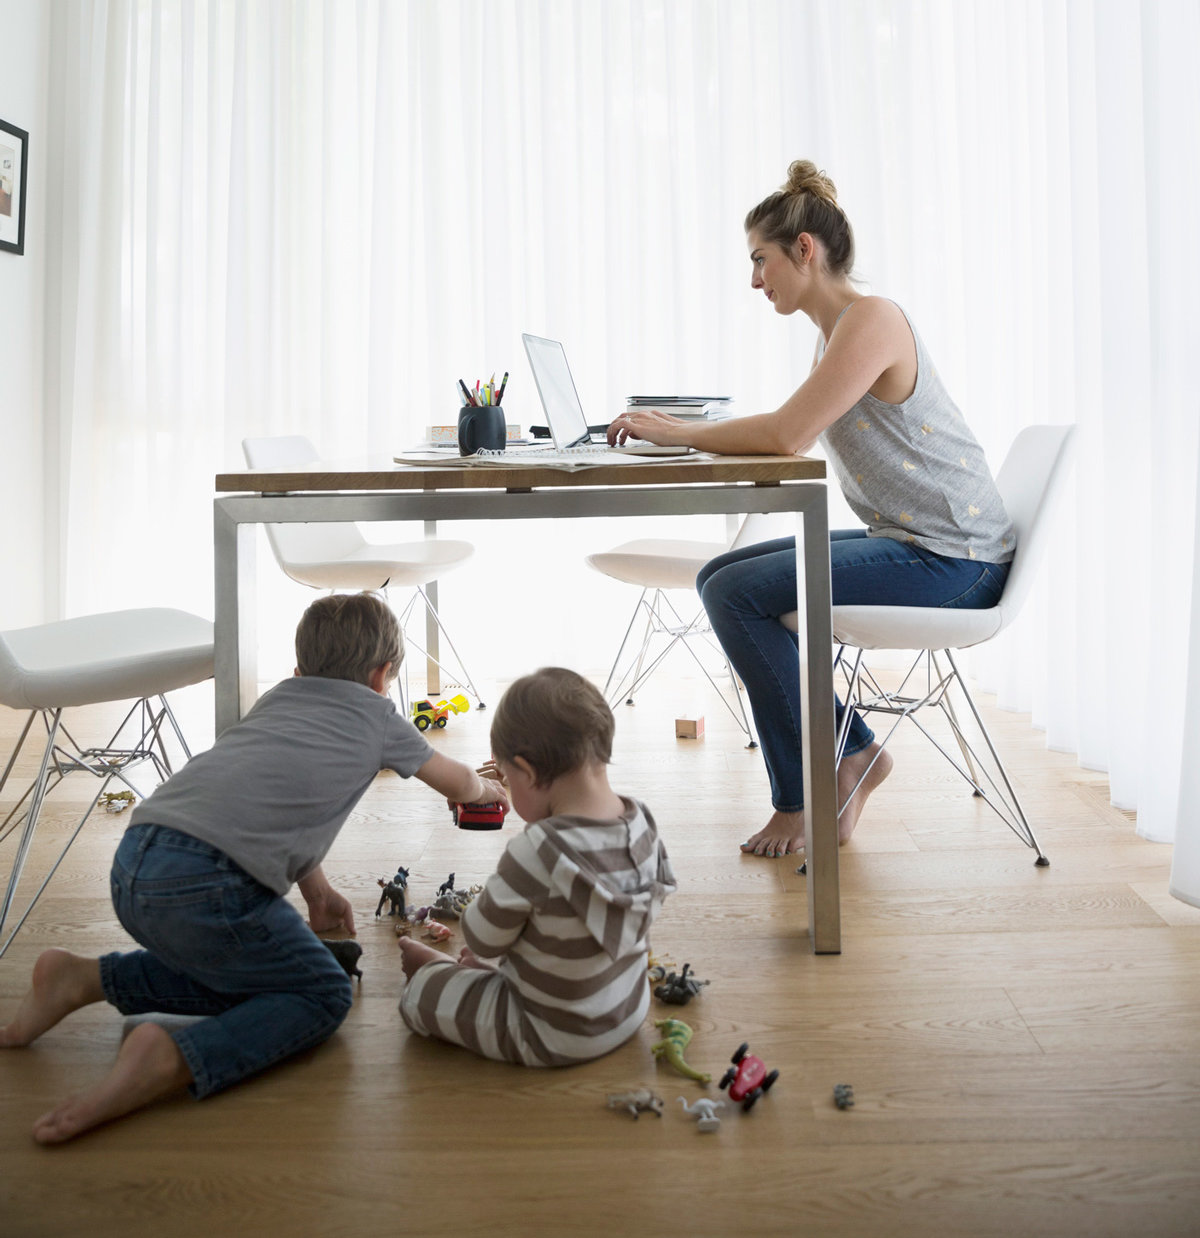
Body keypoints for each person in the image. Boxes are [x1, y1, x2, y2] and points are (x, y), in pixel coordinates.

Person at [607, 159, 1015, 860]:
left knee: (735, 593)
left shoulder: (874, 321)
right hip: (922, 545)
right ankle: (853, 750)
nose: (755, 280)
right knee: (721, 576)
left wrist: (679, 434)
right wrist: (686, 433)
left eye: (761, 260)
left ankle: (803, 795)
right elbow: (786, 425)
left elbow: (787, 434)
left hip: (957, 562)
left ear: (805, 250)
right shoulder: (837, 333)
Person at [0, 591, 507, 1144]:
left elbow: (271, 803)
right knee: (321, 993)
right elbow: (456, 784)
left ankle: (84, 978)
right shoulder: (377, 715)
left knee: (268, 972)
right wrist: (489, 787)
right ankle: (172, 1057)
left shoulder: (277, 700)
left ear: (299, 668)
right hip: (209, 885)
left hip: (137, 859)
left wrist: (318, 892)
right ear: (382, 676)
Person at [398, 667, 676, 1066]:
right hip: (627, 1010)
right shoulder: (641, 820)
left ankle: (431, 973)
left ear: (526, 772)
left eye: (509, 777)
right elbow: (583, 923)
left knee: (421, 995)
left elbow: (480, 938)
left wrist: (450, 964)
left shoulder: (538, 850)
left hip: (551, 1034)